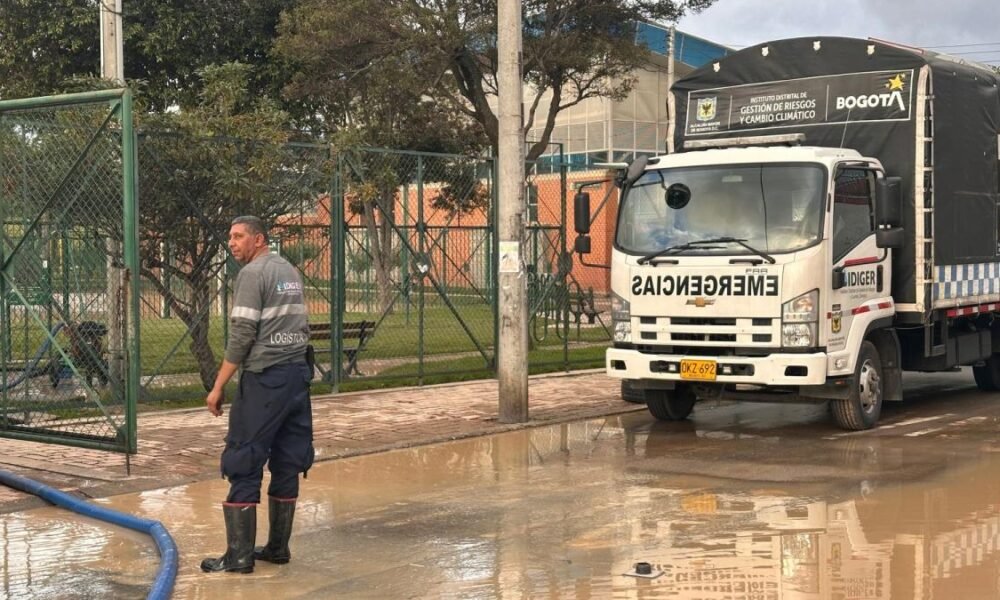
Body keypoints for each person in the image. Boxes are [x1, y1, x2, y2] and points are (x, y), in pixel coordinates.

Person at [201, 216, 314, 574]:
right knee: (288, 458)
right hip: (297, 377)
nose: (232, 243)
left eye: (238, 236)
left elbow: (242, 335)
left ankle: (239, 557)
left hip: (266, 379)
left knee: (244, 458)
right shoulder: (289, 270)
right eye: (229, 236)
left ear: (259, 239)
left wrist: (218, 386)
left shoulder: (252, 274)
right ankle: (278, 549)